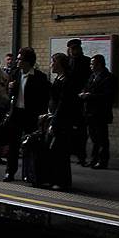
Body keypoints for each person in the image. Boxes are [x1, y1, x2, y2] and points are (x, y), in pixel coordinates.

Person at [2, 47, 50, 183]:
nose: (17, 61)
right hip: (16, 113)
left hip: (31, 114)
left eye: (19, 59)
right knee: (13, 144)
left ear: (28, 62)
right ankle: (9, 172)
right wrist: (10, 89)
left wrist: (41, 115)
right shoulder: (15, 73)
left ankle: (30, 173)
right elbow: (10, 94)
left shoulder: (39, 77)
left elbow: (44, 98)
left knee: (30, 144)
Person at [46, 53, 77, 190]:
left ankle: (62, 181)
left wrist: (54, 122)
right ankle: (55, 178)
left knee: (60, 151)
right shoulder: (58, 78)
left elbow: (63, 104)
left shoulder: (67, 81)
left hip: (63, 121)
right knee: (55, 151)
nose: (51, 65)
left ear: (59, 64)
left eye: (53, 62)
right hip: (55, 117)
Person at [80, 54, 115, 169]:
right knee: (94, 138)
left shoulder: (107, 77)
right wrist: (84, 93)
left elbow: (107, 96)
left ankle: (102, 161)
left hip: (100, 112)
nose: (90, 66)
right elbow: (86, 87)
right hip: (90, 112)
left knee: (102, 138)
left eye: (92, 64)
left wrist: (90, 96)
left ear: (99, 64)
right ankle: (94, 159)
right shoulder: (92, 76)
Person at [66, 39, 91, 165]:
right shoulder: (67, 62)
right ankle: (70, 153)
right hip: (69, 100)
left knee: (81, 131)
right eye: (72, 49)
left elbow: (89, 80)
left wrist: (84, 91)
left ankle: (81, 156)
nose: (74, 51)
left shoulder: (87, 61)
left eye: (76, 48)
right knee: (69, 129)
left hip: (81, 101)